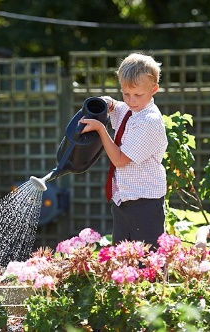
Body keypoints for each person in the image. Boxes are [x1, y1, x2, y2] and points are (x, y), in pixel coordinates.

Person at [79, 53, 168, 248]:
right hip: (124, 199)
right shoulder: (131, 110)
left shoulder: (149, 121)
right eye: (126, 93)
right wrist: (108, 103)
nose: (131, 100)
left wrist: (101, 129)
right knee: (123, 261)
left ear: (154, 90)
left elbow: (119, 160)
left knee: (147, 262)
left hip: (145, 203)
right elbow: (117, 107)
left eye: (138, 95)